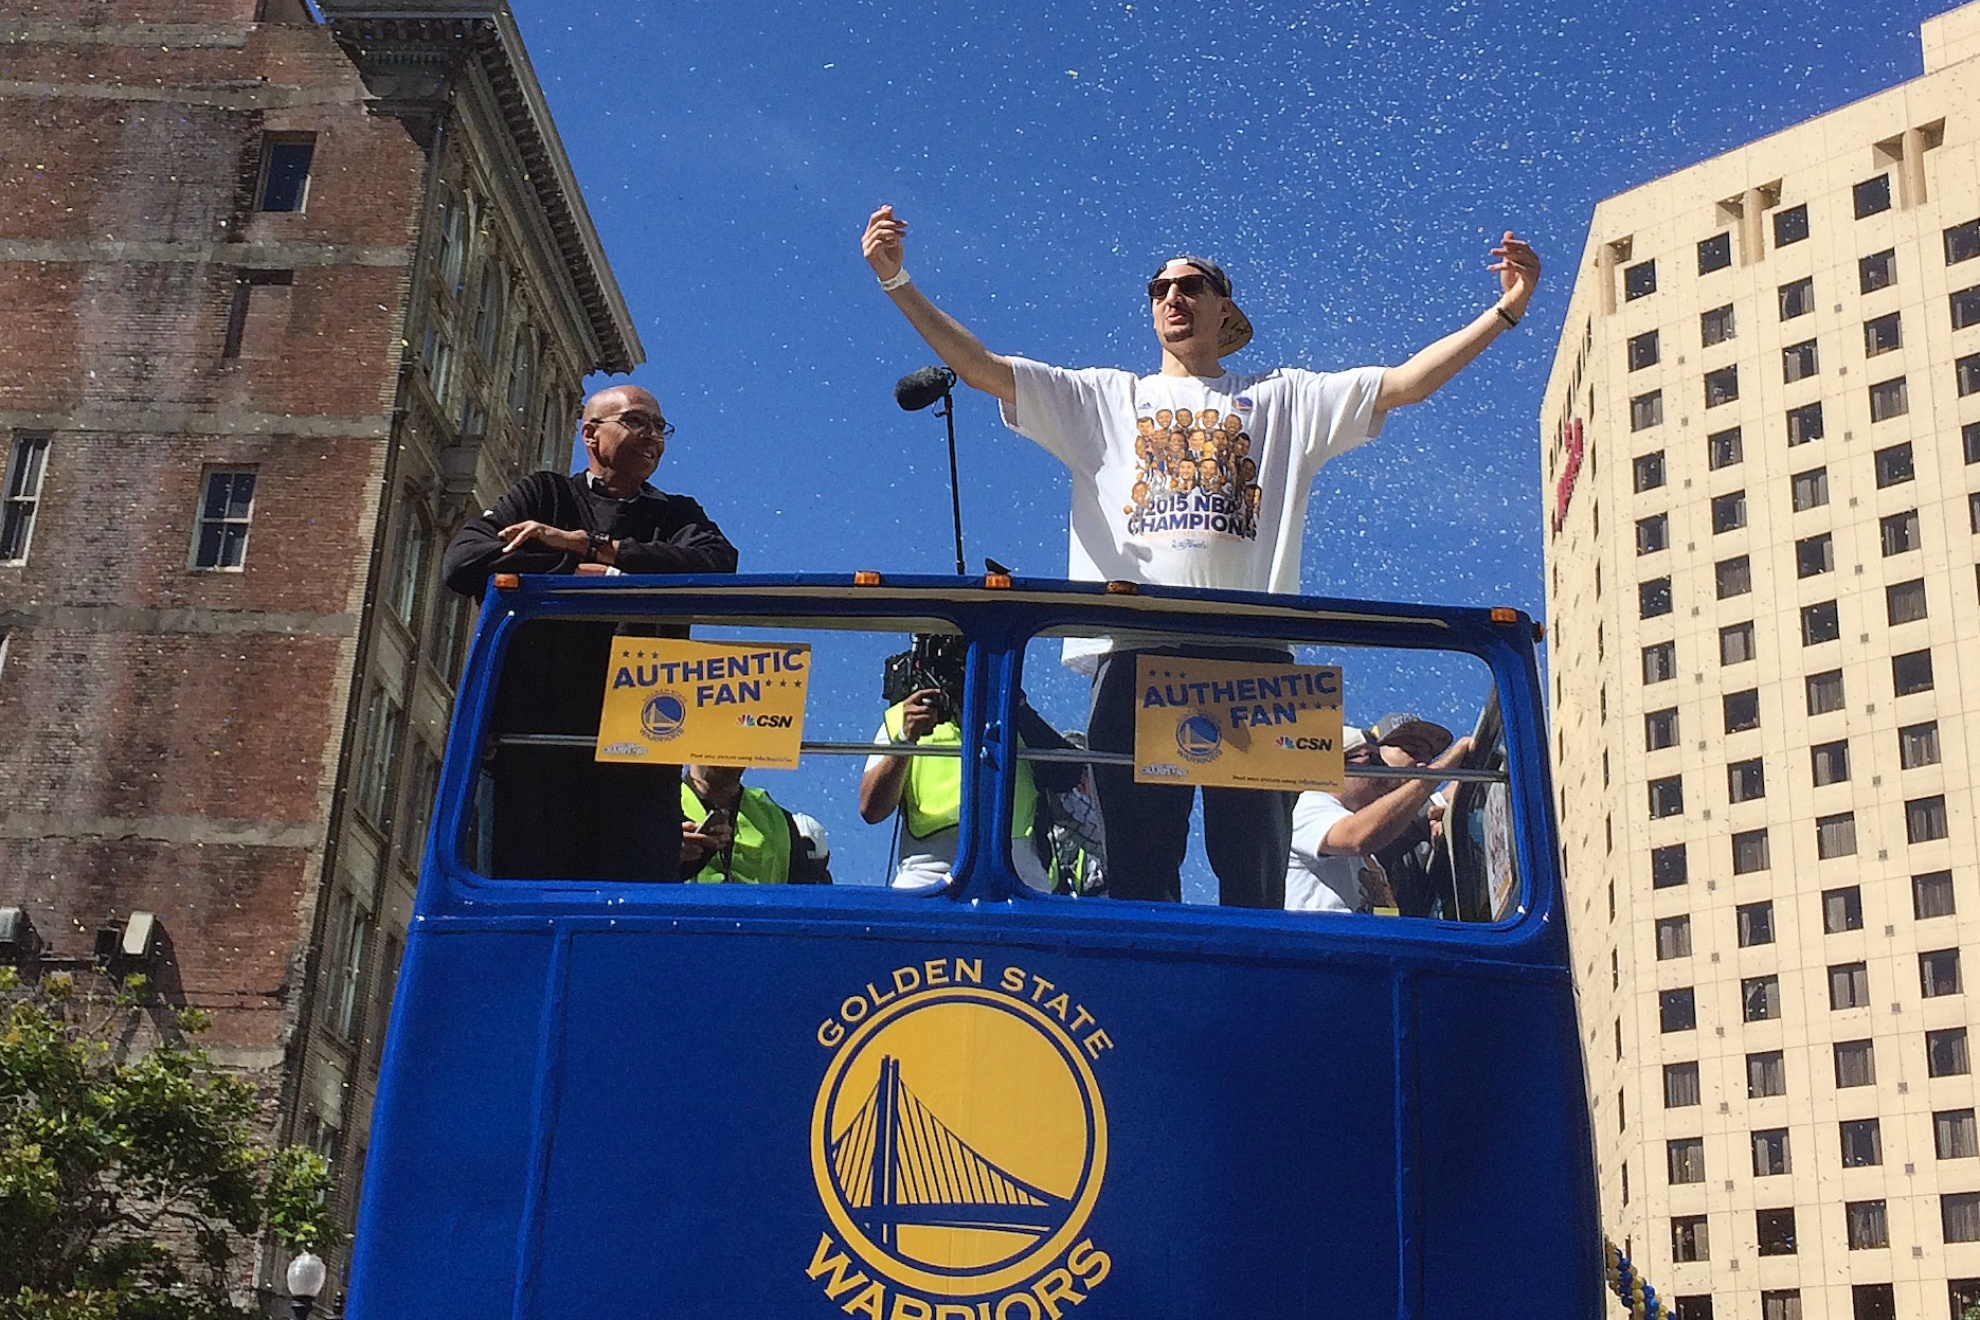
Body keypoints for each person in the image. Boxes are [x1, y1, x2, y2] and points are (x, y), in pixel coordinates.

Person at [859, 204, 1540, 908]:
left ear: (1225, 310)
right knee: (1140, 869)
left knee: (1257, 873)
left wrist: (1506, 311)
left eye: (1191, 286)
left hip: (1253, 651)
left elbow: (1406, 384)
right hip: (1135, 649)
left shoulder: (1283, 398)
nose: (1173, 298)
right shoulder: (1105, 397)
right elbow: (982, 371)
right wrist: (897, 280)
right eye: (1159, 290)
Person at [441, 383, 738, 882]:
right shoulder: (544, 493)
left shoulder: (676, 514)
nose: (652, 437)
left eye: (659, 427)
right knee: (522, 898)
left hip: (639, 747)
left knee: (626, 911)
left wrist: (597, 547)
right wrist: (575, 569)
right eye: (636, 422)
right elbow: (465, 560)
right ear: (591, 434)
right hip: (531, 745)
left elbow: (717, 564)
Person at [859, 685, 1081, 893]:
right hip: (926, 877)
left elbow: (1068, 775)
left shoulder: (1013, 711)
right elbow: (871, 809)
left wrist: (1019, 707)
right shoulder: (905, 716)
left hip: (1020, 880)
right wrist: (905, 740)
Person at [1286, 721, 1472, 914]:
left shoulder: (1371, 862)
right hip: (1318, 942)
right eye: (1374, 761)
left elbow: (1387, 917)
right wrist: (1439, 771)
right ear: (1336, 767)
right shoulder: (1309, 804)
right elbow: (1356, 839)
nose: (1382, 771)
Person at [679, 763, 830, 885]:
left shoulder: (781, 821)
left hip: (761, 921)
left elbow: (803, 905)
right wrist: (665, 854)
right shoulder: (661, 814)